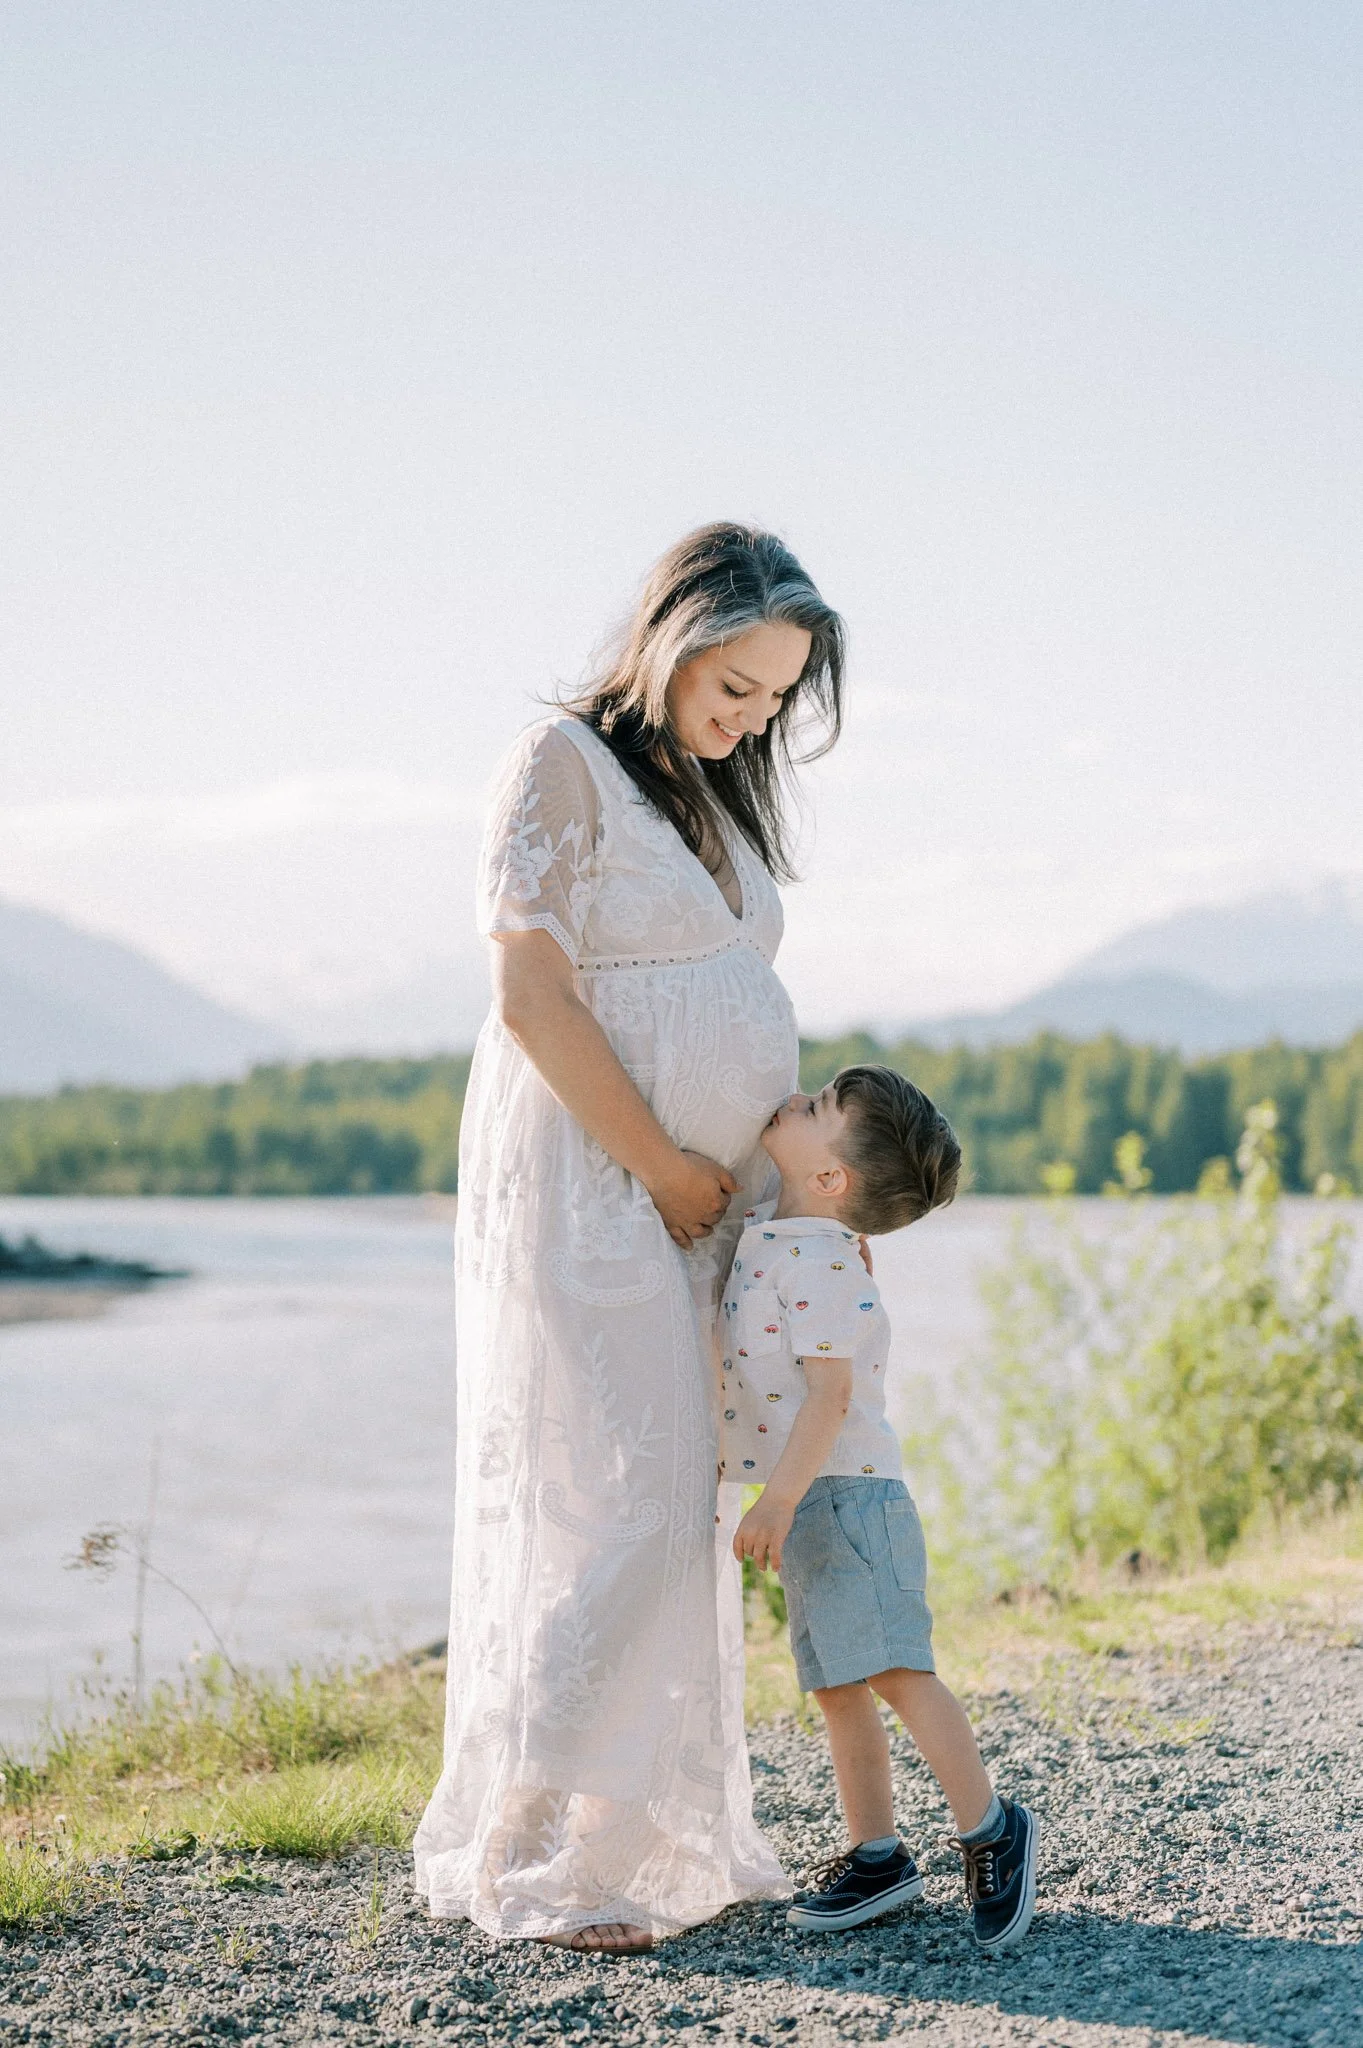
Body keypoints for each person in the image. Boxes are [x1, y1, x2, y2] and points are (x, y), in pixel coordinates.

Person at [413, 524, 846, 1951]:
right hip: (602, 1181)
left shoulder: (706, 798)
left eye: (774, 701)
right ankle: (533, 1854)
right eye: (734, 685)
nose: (749, 720)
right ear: (670, 634)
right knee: (628, 1501)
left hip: (700, 1206)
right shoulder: (559, 764)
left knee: (670, 1513)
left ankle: (632, 1840)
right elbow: (531, 997)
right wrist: (659, 1160)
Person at [724, 1067, 1040, 1953]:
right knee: (836, 1687)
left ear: (832, 1180)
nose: (794, 1098)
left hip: (847, 1494)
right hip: (814, 1497)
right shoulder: (780, 1232)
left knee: (898, 1671)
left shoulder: (821, 1262)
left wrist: (776, 1501)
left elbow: (828, 1400)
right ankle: (878, 1856)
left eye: (817, 1108)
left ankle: (991, 1828)